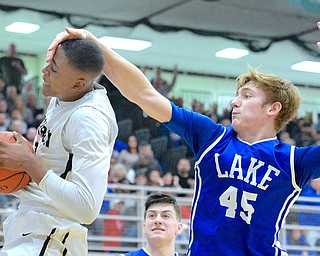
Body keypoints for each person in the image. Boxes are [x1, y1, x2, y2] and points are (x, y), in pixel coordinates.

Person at [47, 25, 320, 256]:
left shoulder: (295, 161)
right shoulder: (212, 136)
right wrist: (96, 46)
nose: (235, 102)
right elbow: (145, 95)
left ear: (273, 108)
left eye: (247, 96)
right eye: (238, 95)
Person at [0, 38, 118, 255]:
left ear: (78, 83)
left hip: (52, 235)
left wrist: (28, 161)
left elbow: (87, 208)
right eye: (49, 62)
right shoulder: (63, 96)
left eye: (53, 69)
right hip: (34, 228)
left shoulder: (88, 119)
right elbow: (55, 168)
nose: (44, 72)